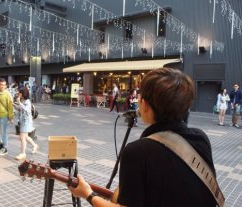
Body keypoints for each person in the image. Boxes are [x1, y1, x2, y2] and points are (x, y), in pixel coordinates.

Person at [69, 68, 218, 207]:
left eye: (140, 96)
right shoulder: (201, 139)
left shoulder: (137, 152)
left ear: (145, 106)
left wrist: (88, 194)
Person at [13, 87, 38, 160]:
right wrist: (14, 105)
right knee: (25, 137)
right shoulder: (23, 100)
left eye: (20, 93)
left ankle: (23, 153)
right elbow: (20, 109)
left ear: (23, 93)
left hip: (26, 122)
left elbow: (26, 109)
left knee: (22, 137)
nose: (18, 94)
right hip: (23, 121)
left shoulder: (27, 101)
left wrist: (19, 103)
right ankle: (35, 145)